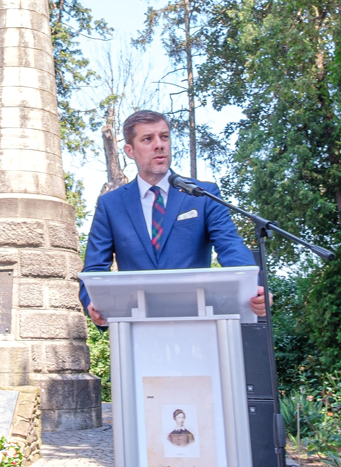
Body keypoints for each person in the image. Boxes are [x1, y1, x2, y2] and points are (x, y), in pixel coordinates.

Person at [80, 109, 267, 326]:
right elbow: (94, 269)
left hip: (199, 322)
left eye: (164, 137)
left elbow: (231, 247)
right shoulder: (110, 204)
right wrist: (92, 303)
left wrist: (253, 288)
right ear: (130, 150)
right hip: (134, 326)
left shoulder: (202, 195)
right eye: (148, 139)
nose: (159, 144)